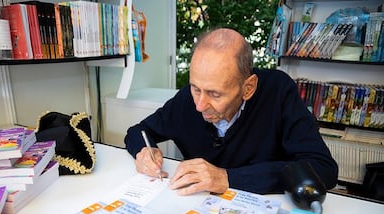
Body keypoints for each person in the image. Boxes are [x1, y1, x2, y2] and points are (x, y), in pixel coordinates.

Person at [124, 28, 338, 196]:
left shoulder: (278, 92)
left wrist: (228, 178)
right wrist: (144, 152)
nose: (199, 105)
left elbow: (323, 169)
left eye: (215, 94)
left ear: (248, 88)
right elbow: (138, 131)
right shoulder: (188, 100)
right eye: (195, 88)